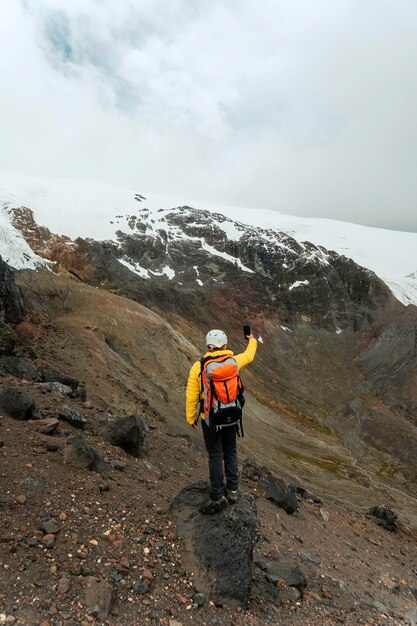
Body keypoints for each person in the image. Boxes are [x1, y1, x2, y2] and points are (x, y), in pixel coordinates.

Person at [186, 329, 257, 514]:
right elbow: (249, 355)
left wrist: (190, 417)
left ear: (208, 346)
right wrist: (252, 340)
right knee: (231, 451)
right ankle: (233, 490)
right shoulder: (234, 361)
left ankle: (218, 495)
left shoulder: (199, 367)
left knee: (215, 455)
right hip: (232, 417)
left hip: (211, 419)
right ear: (225, 345)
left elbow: (192, 395)